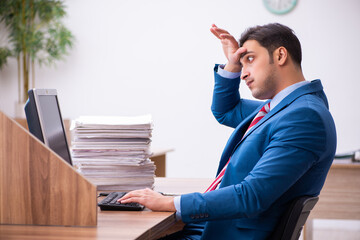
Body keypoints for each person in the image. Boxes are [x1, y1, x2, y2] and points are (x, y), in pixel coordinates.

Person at [119, 23, 337, 239]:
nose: (244, 74)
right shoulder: (282, 108)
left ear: (280, 56)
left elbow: (252, 196)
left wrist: (169, 202)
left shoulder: (303, 116)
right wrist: (233, 64)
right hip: (211, 226)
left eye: (250, 59)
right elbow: (227, 110)